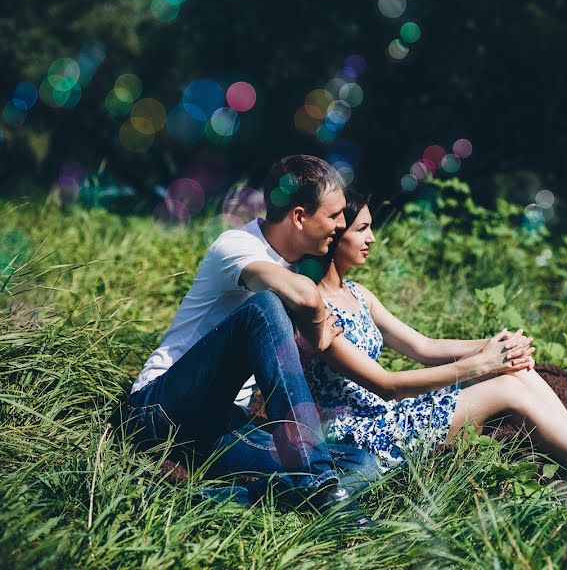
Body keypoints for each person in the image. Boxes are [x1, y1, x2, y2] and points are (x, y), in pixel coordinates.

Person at [303, 191, 567, 510]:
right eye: (362, 229)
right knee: (506, 387)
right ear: (334, 236)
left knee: (518, 372)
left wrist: (497, 347)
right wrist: (479, 364)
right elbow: (387, 385)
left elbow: (424, 347)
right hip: (367, 434)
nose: (372, 238)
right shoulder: (315, 308)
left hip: (391, 417)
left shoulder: (359, 294)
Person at [125, 155, 381, 524]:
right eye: (334, 215)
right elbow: (306, 299)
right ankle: (321, 485)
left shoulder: (295, 267)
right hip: (160, 409)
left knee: (361, 461)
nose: (341, 226)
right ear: (298, 216)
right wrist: (316, 325)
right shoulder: (236, 246)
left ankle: (206, 499)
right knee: (265, 306)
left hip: (219, 425)